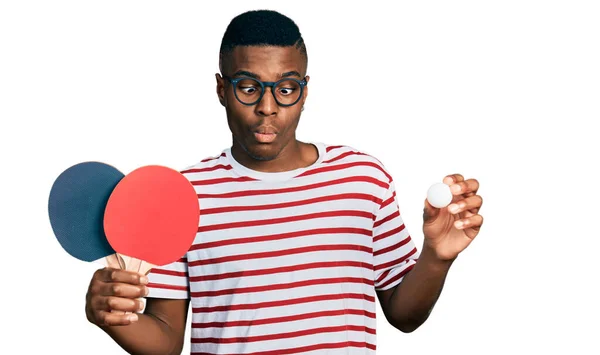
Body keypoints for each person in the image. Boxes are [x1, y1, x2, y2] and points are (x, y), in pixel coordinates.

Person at [85, 9, 484, 355]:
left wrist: (436, 257)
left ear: (305, 92)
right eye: (248, 87)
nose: (268, 106)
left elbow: (404, 315)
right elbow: (168, 340)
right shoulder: (182, 195)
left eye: (286, 89)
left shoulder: (363, 179)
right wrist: (112, 317)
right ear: (222, 90)